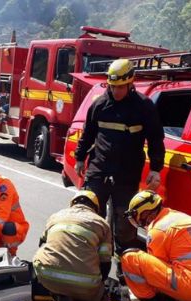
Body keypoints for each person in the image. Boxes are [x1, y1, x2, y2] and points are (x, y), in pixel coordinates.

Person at [73, 58, 165, 272]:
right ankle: (89, 268)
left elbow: (155, 139)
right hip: (98, 171)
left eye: (120, 87)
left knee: (125, 228)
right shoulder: (99, 104)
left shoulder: (143, 107)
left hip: (126, 176)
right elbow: (88, 134)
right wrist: (79, 158)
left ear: (130, 84)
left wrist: (155, 169)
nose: (115, 91)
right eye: (112, 87)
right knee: (89, 219)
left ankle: (125, 273)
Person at [33, 190, 112, 301]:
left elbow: (41, 244)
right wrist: (99, 288)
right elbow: (105, 262)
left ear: (73, 203)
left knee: (47, 265)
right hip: (85, 284)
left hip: (48, 275)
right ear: (95, 208)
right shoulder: (102, 224)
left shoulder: (55, 216)